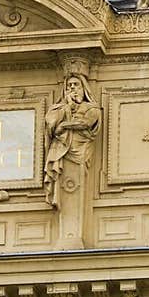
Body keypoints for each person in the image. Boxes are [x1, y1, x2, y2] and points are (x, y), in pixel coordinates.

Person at [43, 72, 102, 209]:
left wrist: (64, 125)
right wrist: (68, 107)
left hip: (79, 150)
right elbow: (51, 124)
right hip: (60, 147)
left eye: (76, 85)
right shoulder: (60, 108)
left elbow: (86, 123)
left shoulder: (91, 108)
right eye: (69, 85)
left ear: (83, 88)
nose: (72, 88)